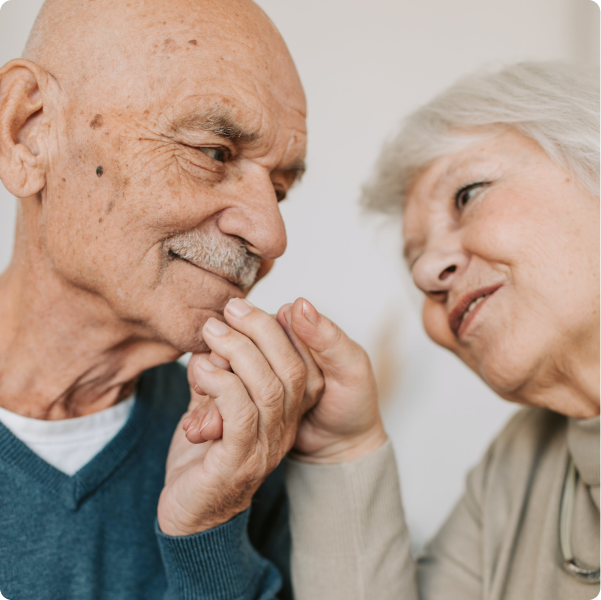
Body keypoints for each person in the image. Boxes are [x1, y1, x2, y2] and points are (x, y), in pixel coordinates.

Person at [0, 0, 387, 597]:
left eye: (279, 191)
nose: (271, 235)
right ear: (28, 131)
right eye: (214, 153)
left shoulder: (244, 455)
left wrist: (209, 532)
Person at [284, 62, 601, 600]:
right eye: (414, 258)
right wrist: (343, 449)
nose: (426, 272)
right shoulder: (518, 463)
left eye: (468, 194)